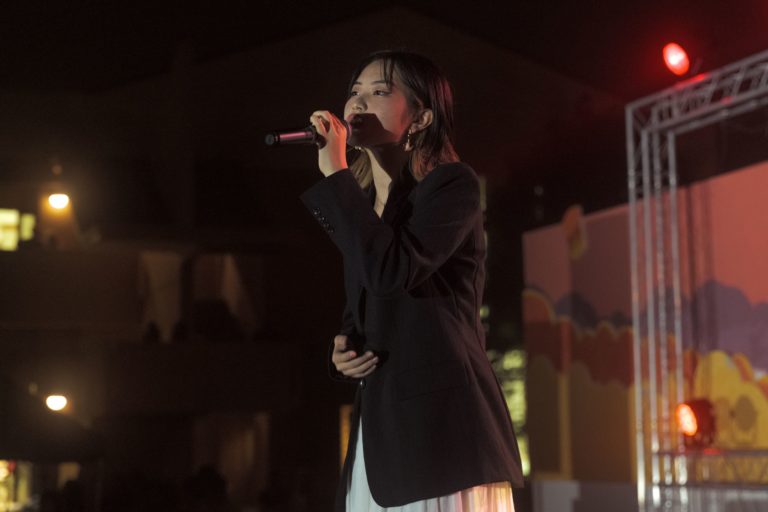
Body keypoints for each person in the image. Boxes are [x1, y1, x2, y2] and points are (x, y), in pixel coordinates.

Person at [300, 50, 524, 512]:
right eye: (354, 92)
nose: (358, 103)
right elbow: (364, 305)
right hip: (382, 438)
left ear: (420, 118)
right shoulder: (364, 206)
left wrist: (335, 174)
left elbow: (392, 271)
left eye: (379, 91)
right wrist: (345, 350)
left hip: (441, 435)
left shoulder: (451, 186)